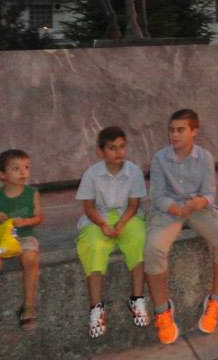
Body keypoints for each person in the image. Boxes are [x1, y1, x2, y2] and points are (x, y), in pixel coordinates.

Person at [145, 109, 218, 345]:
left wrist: (201, 202)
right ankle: (162, 311)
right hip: (169, 210)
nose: (174, 135)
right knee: (153, 249)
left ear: (194, 131)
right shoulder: (159, 159)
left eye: (180, 130)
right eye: (171, 130)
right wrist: (175, 208)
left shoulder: (204, 157)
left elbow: (209, 192)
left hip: (198, 208)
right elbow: (157, 195)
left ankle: (215, 302)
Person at [75, 126, 149, 339]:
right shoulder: (92, 174)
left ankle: (137, 298)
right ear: (101, 151)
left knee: (139, 239)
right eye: (112, 148)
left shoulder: (133, 171)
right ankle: (96, 307)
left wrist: (122, 223)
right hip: (98, 217)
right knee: (93, 245)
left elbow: (134, 204)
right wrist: (103, 225)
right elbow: (88, 207)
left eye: (122, 147)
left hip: (127, 216)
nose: (119, 152)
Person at [0, 149, 43, 338]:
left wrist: (26, 221)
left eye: (26, 167)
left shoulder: (32, 193)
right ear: (2, 175)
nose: (23, 172)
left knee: (30, 258)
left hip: (24, 236)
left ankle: (28, 307)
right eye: (16, 168)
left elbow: (39, 217)